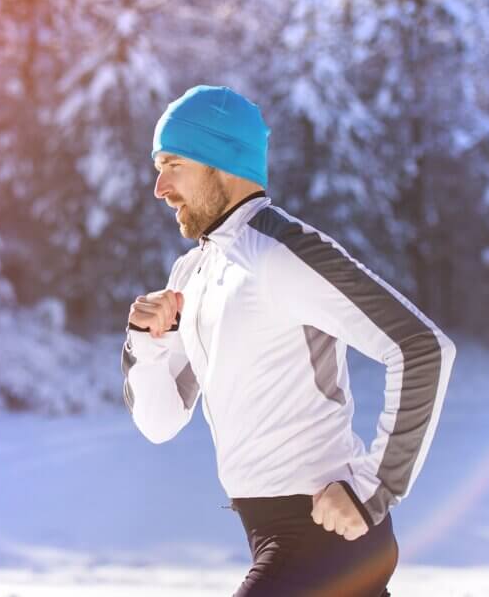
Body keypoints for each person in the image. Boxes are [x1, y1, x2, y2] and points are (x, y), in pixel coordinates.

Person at [121, 85, 456, 596]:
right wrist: (146, 345)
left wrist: (373, 489)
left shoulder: (282, 252)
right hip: (280, 536)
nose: (160, 187)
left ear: (221, 161)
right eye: (157, 168)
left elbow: (422, 348)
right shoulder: (193, 273)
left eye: (173, 165)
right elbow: (160, 422)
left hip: (325, 535)